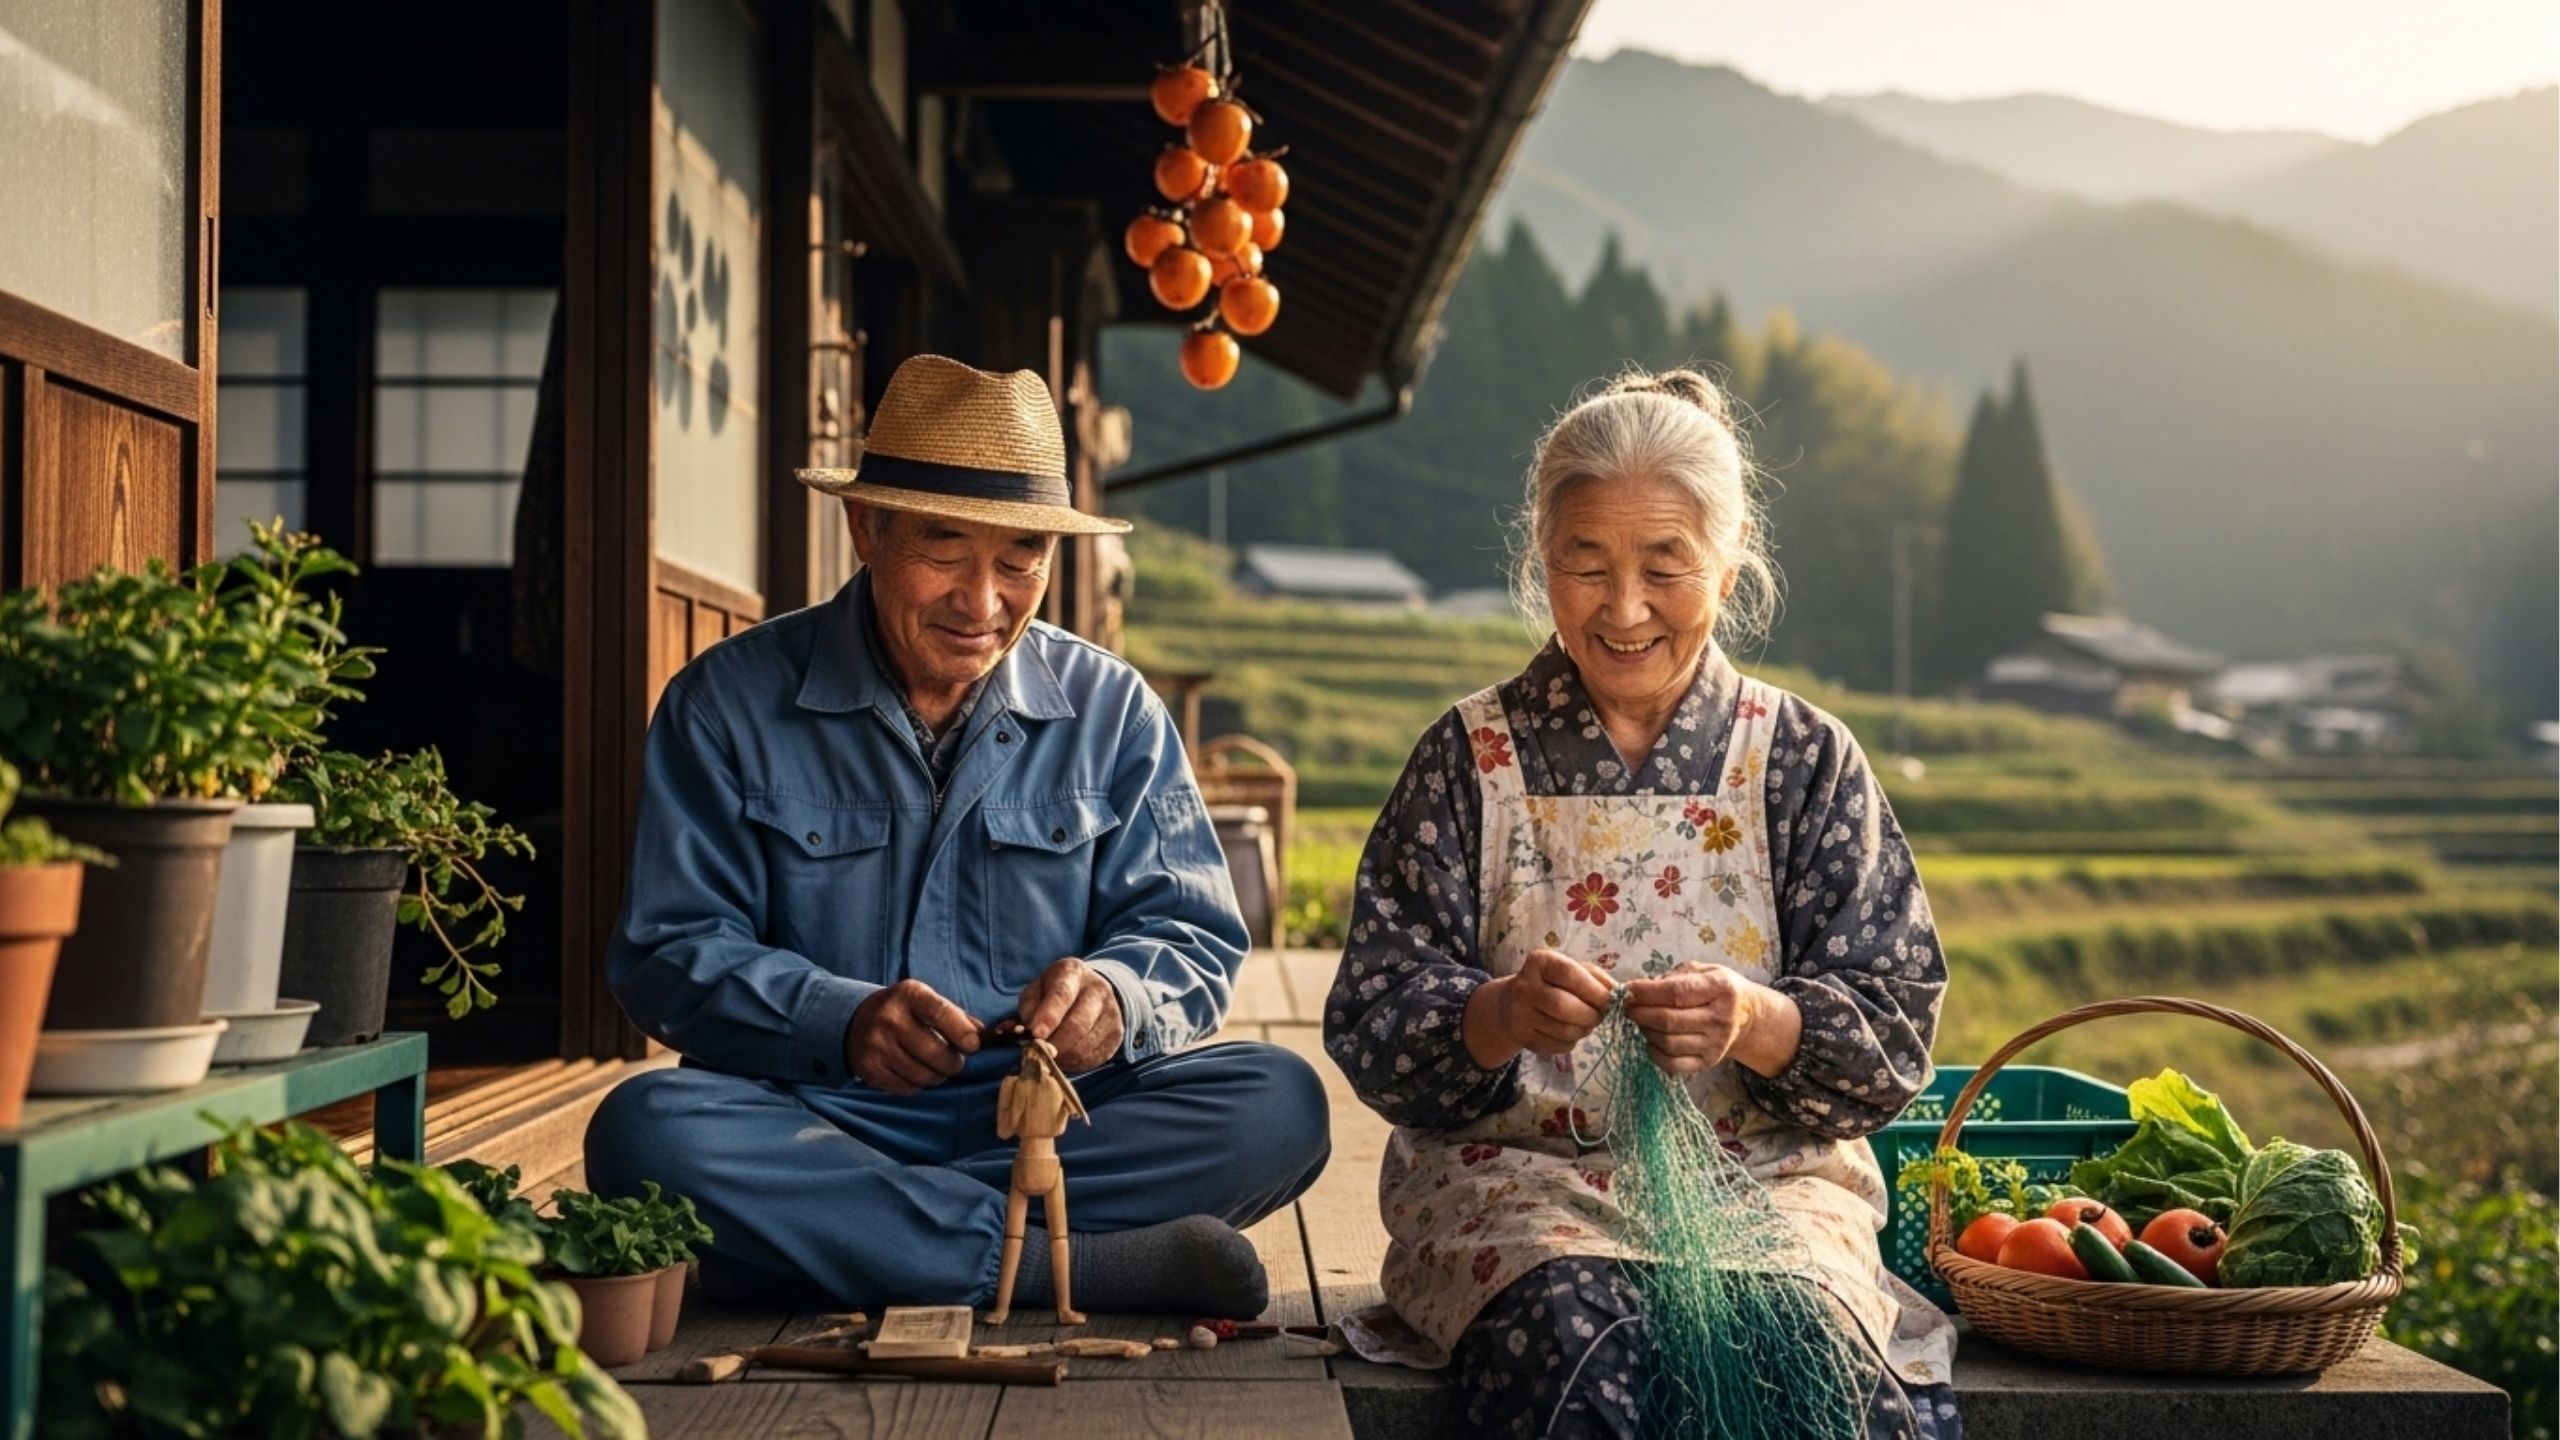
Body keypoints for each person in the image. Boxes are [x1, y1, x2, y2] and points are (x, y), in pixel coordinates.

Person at [586, 354, 1329, 1319]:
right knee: (645, 1130)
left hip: (1057, 1123)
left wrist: (1118, 995)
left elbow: (1191, 936)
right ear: (866, 527)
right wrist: (839, 1020)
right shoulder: (725, 704)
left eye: (1020, 559)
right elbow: (667, 951)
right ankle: (1051, 1266)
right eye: (944, 549)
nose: (982, 604)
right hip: (817, 1117)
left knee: (1281, 1102)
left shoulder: (1115, 712)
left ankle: (839, 1241)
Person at [1324, 369, 1958, 1438]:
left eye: (1664, 568)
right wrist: (1500, 1016)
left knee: (1787, 1330)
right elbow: (1376, 1017)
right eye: (1585, 565)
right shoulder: (1467, 758)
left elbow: (1893, 1031)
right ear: (1541, 556)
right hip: (1515, 1187)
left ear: (1730, 552)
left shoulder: (1800, 761)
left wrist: (1755, 1020)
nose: (1622, 610)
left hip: (1766, 1183)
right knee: (1573, 1335)